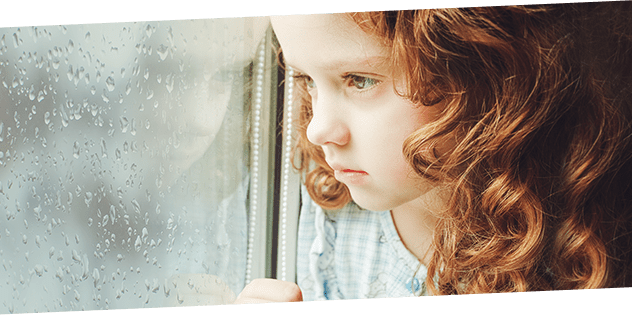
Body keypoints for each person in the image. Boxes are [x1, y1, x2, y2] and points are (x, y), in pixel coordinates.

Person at [235, 1, 632, 303]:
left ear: (480, 74)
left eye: (359, 80)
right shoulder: (329, 202)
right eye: (306, 79)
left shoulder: (572, 246)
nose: (318, 129)